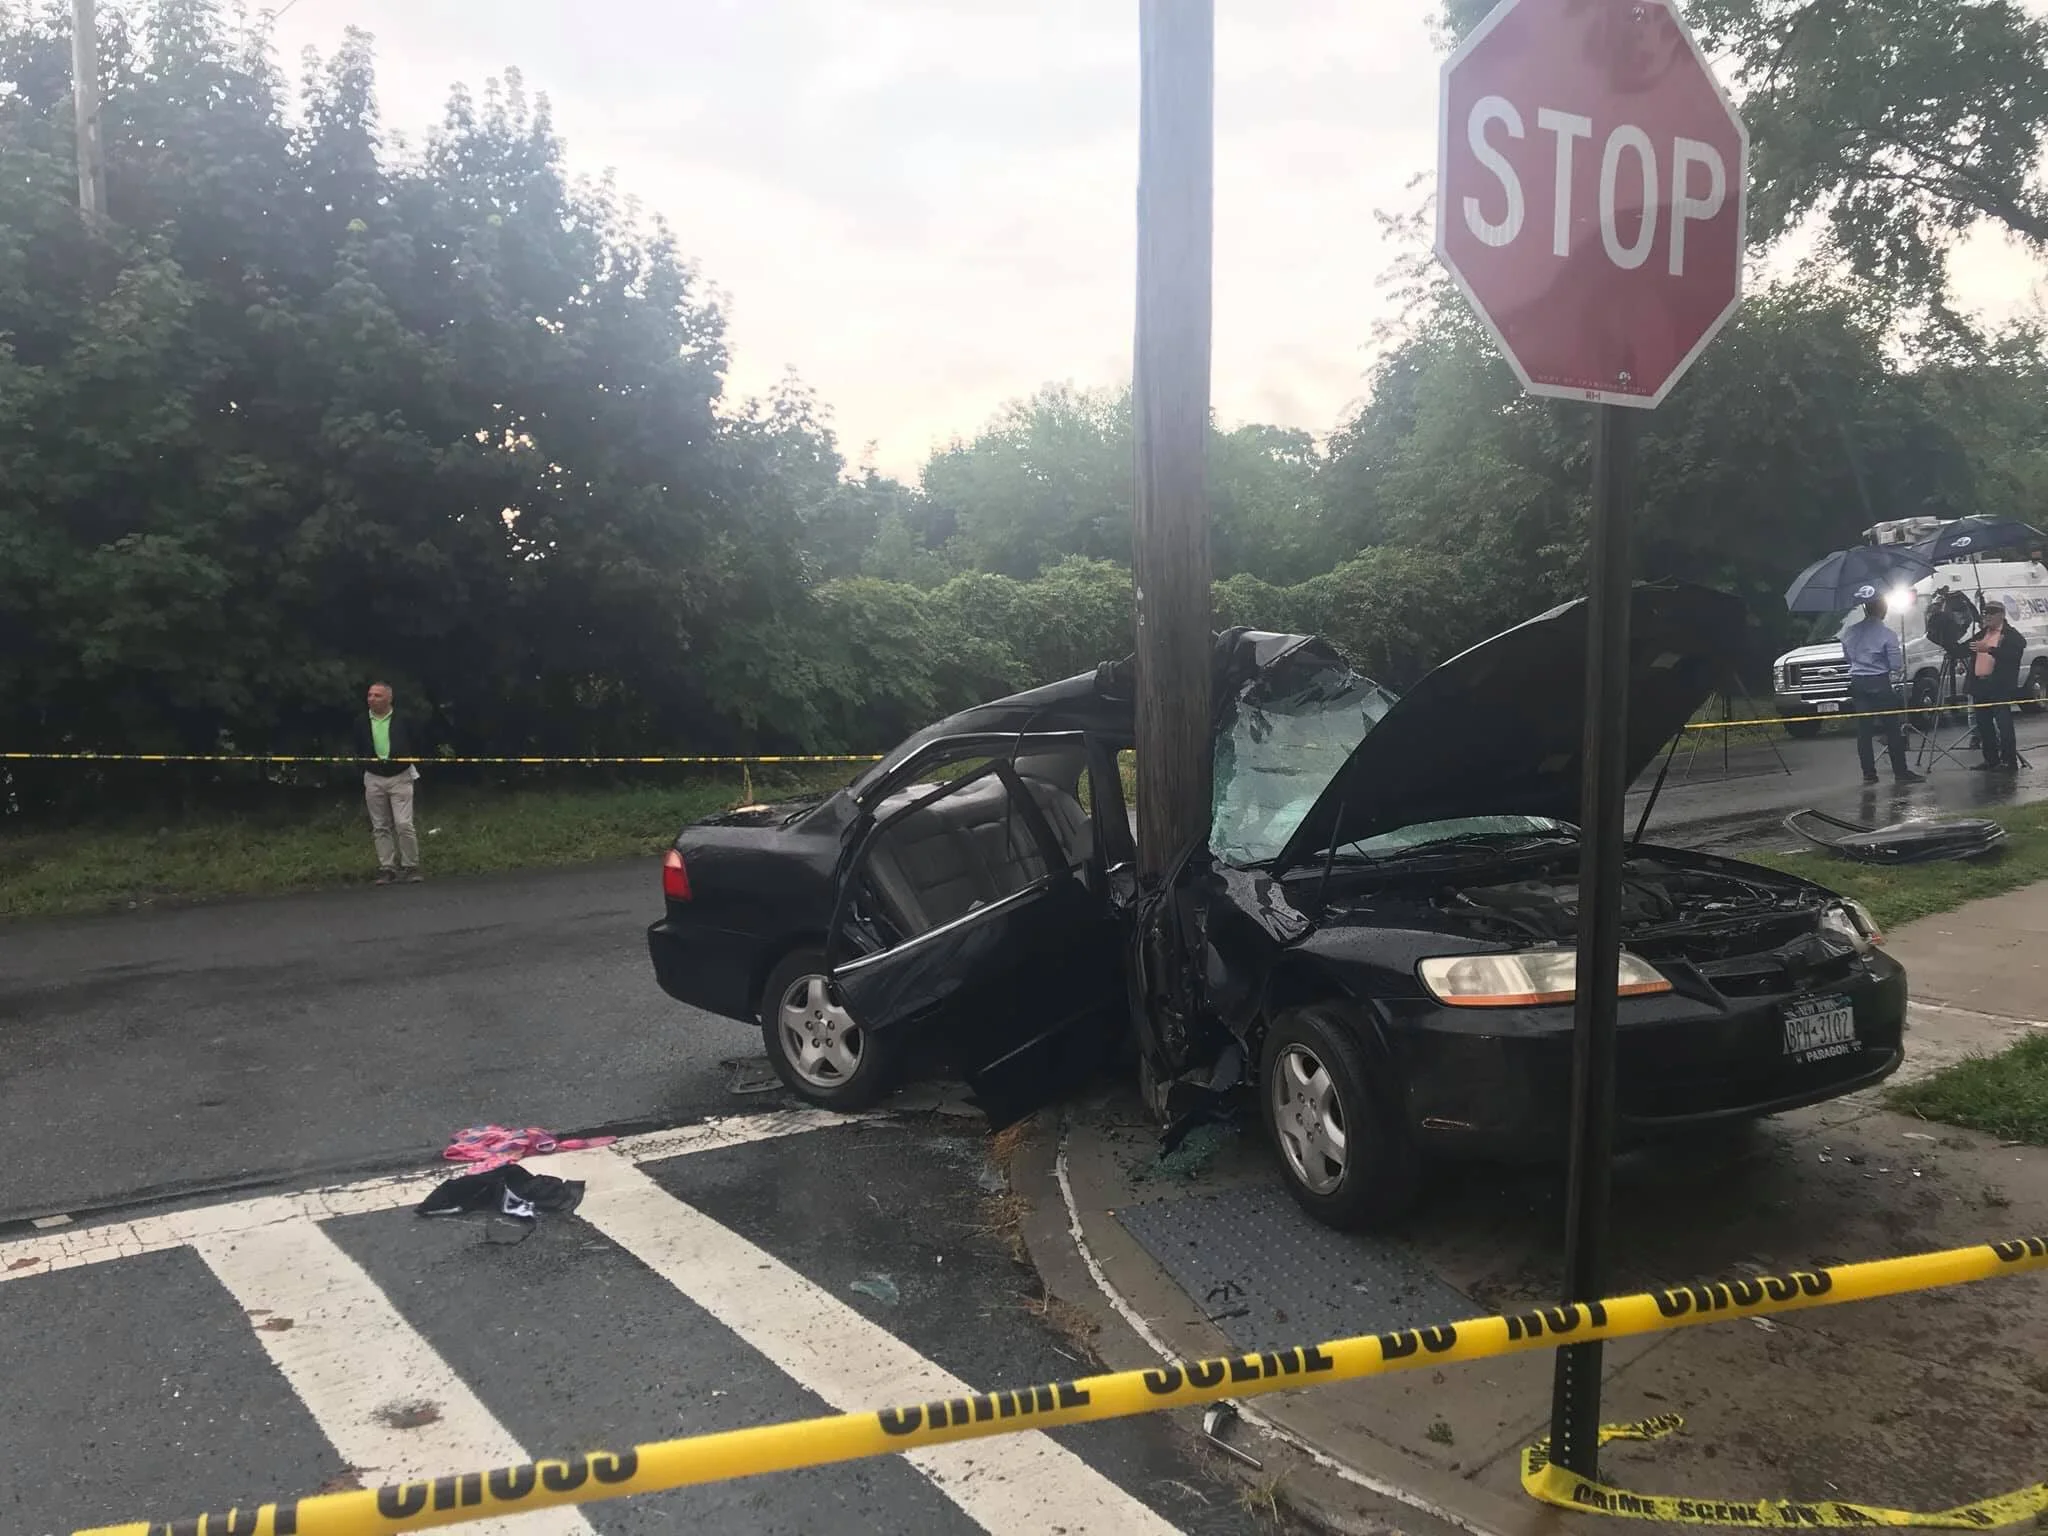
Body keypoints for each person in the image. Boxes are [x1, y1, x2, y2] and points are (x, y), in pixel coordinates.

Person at [1841, 586, 1926, 786]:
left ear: (1865, 609)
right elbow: (1896, 665)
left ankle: (1868, 773)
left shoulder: (1850, 632)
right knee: (1892, 728)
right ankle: (1900, 771)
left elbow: (1847, 658)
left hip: (1858, 681)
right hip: (1879, 680)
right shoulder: (1887, 634)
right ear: (1883, 609)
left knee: (1864, 731)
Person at [354, 681, 423, 884]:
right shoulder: (361, 721)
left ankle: (411, 866)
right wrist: (366, 767)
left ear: (389, 698)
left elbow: (417, 742)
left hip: (400, 775)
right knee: (380, 825)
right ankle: (387, 868)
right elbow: (358, 747)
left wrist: (409, 760)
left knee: (403, 824)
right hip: (374, 776)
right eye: (369, 695)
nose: (372, 699)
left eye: (377, 695)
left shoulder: (404, 719)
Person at [1965, 600, 2027, 771]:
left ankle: (2008, 760)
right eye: (1985, 613)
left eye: (1992, 613)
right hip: (1980, 686)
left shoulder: (2010, 634)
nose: (1987, 616)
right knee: (1984, 725)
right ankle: (1991, 759)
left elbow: (2015, 653)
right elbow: (1964, 649)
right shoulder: (1982, 634)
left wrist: (1990, 650)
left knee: (2003, 724)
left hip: (1999, 686)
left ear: (2001, 614)